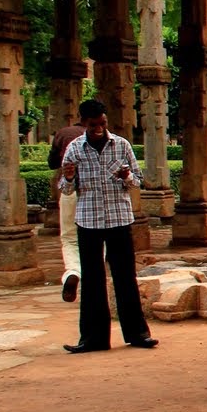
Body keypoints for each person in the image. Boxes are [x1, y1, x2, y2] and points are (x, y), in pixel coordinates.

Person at [58, 99, 156, 353]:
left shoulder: (121, 145)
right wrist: (68, 177)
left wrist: (127, 178)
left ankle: (138, 334)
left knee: (125, 278)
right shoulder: (75, 149)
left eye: (102, 123)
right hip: (89, 221)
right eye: (93, 125)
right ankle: (93, 338)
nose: (99, 128)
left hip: (119, 220)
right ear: (83, 123)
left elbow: (138, 181)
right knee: (92, 280)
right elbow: (67, 189)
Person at [47, 115, 86, 303]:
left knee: (69, 238)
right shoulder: (103, 137)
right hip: (91, 193)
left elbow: (52, 162)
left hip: (68, 188)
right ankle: (91, 277)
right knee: (97, 235)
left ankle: (73, 271)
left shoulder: (64, 134)